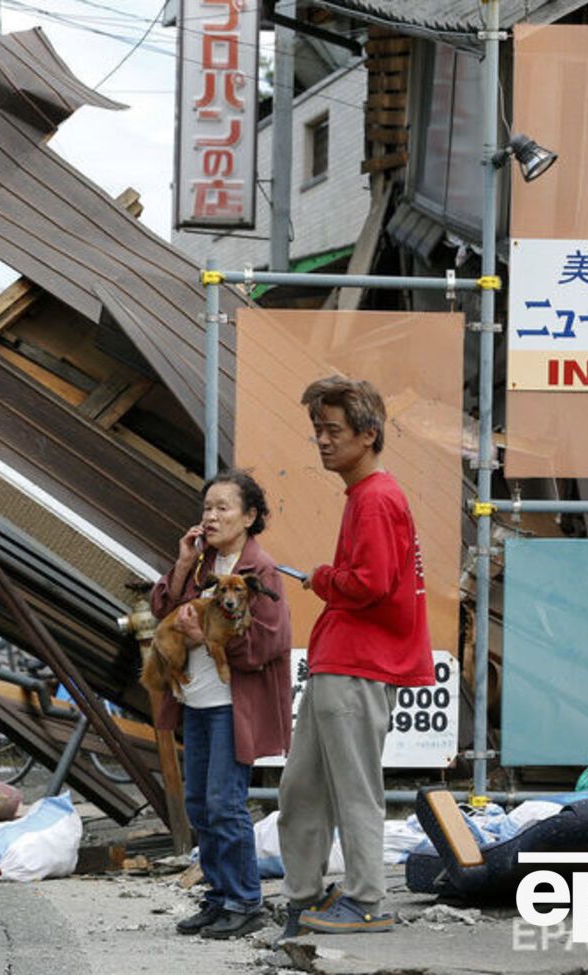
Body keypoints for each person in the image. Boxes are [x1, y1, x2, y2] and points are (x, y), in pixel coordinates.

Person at [277, 376, 434, 938]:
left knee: (351, 787)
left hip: (358, 663)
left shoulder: (375, 498)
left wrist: (321, 578)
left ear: (368, 435)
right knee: (302, 788)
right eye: (317, 429)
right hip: (340, 661)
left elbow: (368, 583)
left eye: (333, 430)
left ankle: (366, 898)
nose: (322, 440)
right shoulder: (368, 496)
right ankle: (304, 896)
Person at [151, 469, 292, 940]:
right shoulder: (199, 564)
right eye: (207, 508)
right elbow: (161, 607)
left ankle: (244, 901)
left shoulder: (259, 571)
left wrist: (204, 638)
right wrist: (180, 561)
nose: (211, 516)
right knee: (199, 803)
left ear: (250, 516)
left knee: (225, 803)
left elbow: (270, 642)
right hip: (196, 700)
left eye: (223, 508)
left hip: (234, 704)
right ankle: (217, 898)